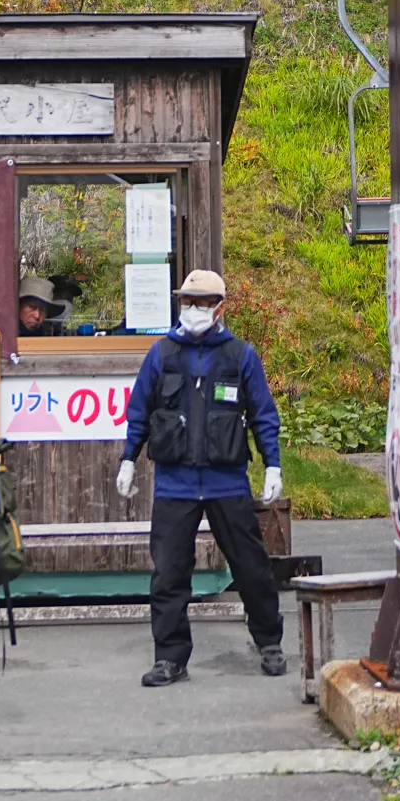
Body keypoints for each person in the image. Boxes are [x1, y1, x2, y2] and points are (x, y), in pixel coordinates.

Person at [116, 267, 287, 686]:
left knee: (251, 567)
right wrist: (127, 459)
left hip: (227, 481)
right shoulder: (160, 355)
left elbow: (263, 415)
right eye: (187, 302)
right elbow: (139, 410)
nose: (192, 310)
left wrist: (273, 464)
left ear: (220, 307)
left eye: (202, 303)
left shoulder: (240, 356)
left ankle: (269, 643)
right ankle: (170, 658)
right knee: (169, 574)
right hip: (174, 484)